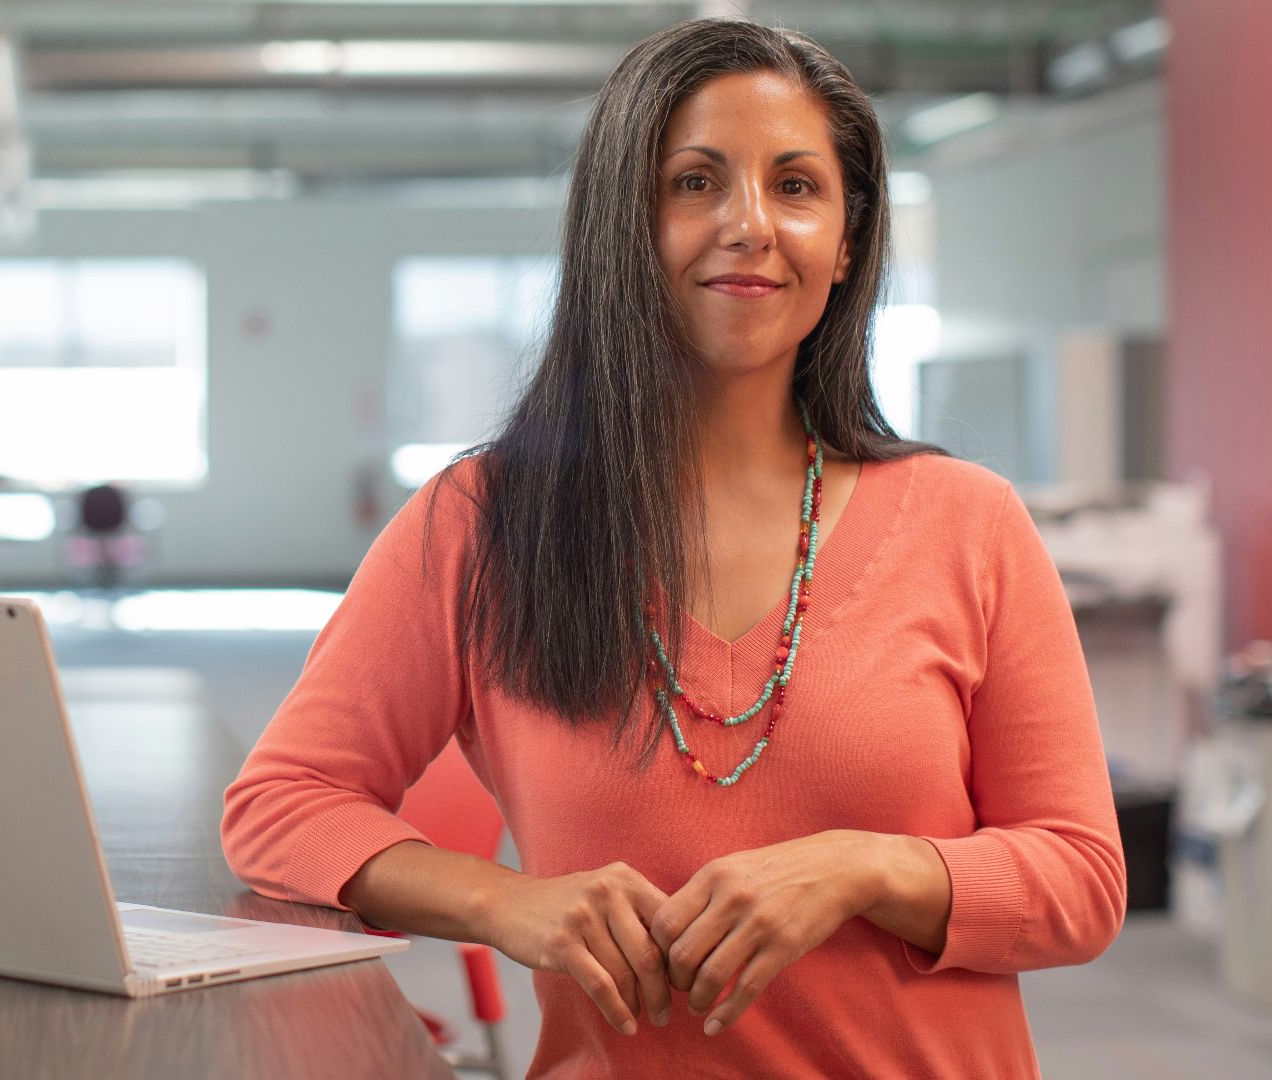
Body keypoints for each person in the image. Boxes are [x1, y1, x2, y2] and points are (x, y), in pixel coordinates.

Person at [221, 16, 1125, 1080]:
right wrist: (503, 902)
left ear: (845, 241)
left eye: (796, 187)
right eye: (696, 182)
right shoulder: (482, 523)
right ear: (623, 223)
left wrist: (866, 869)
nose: (750, 224)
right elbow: (279, 807)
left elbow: (1083, 881)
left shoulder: (968, 523)